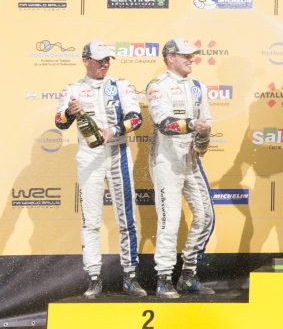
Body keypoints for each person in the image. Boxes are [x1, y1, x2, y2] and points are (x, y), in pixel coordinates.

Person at [54, 41, 146, 298]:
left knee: (126, 219)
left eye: (108, 59)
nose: (105, 63)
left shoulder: (121, 85)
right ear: (86, 60)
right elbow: (59, 122)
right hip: (89, 156)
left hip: (118, 154)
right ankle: (94, 278)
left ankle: (130, 276)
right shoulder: (72, 89)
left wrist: (114, 130)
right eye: (99, 59)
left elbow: (136, 118)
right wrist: (70, 113)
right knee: (91, 220)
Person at [147, 38, 215, 298]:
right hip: (166, 161)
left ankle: (188, 274)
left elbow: (206, 122)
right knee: (170, 221)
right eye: (185, 55)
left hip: (190, 160)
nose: (190, 59)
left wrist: (203, 137)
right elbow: (164, 123)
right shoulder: (157, 86)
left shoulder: (198, 86)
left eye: (192, 55)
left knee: (206, 216)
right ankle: (163, 278)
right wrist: (193, 124)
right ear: (170, 58)